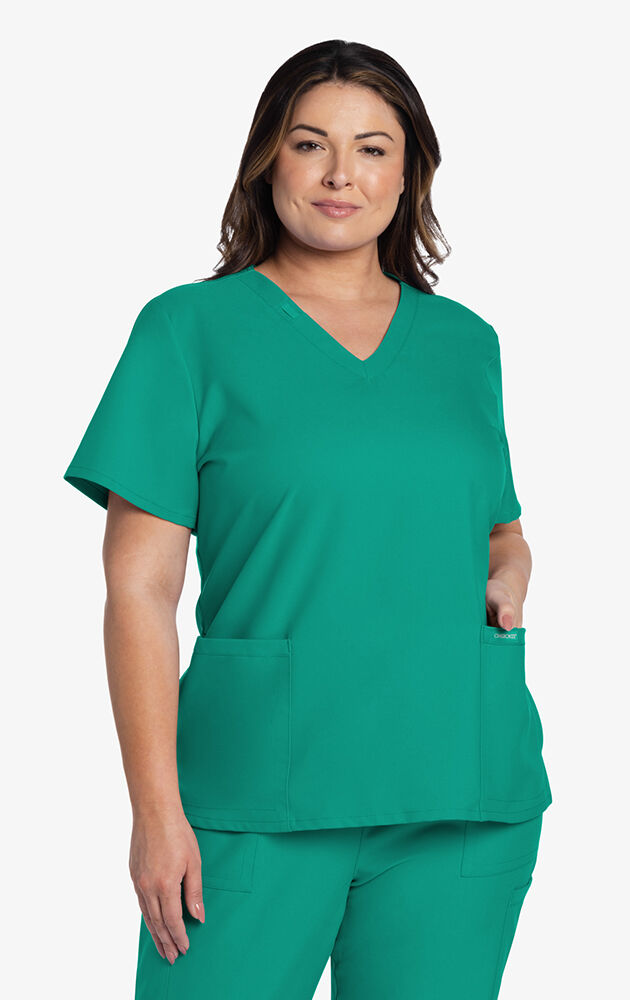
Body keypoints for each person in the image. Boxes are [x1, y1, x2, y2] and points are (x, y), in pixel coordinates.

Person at [62, 38, 552, 1000]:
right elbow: (139, 589)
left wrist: (512, 565)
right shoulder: (187, 332)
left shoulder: (466, 345)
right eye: (309, 143)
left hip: (461, 789)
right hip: (252, 797)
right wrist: (155, 811)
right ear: (266, 160)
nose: (340, 175)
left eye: (373, 148)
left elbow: (499, 526)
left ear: (408, 174)